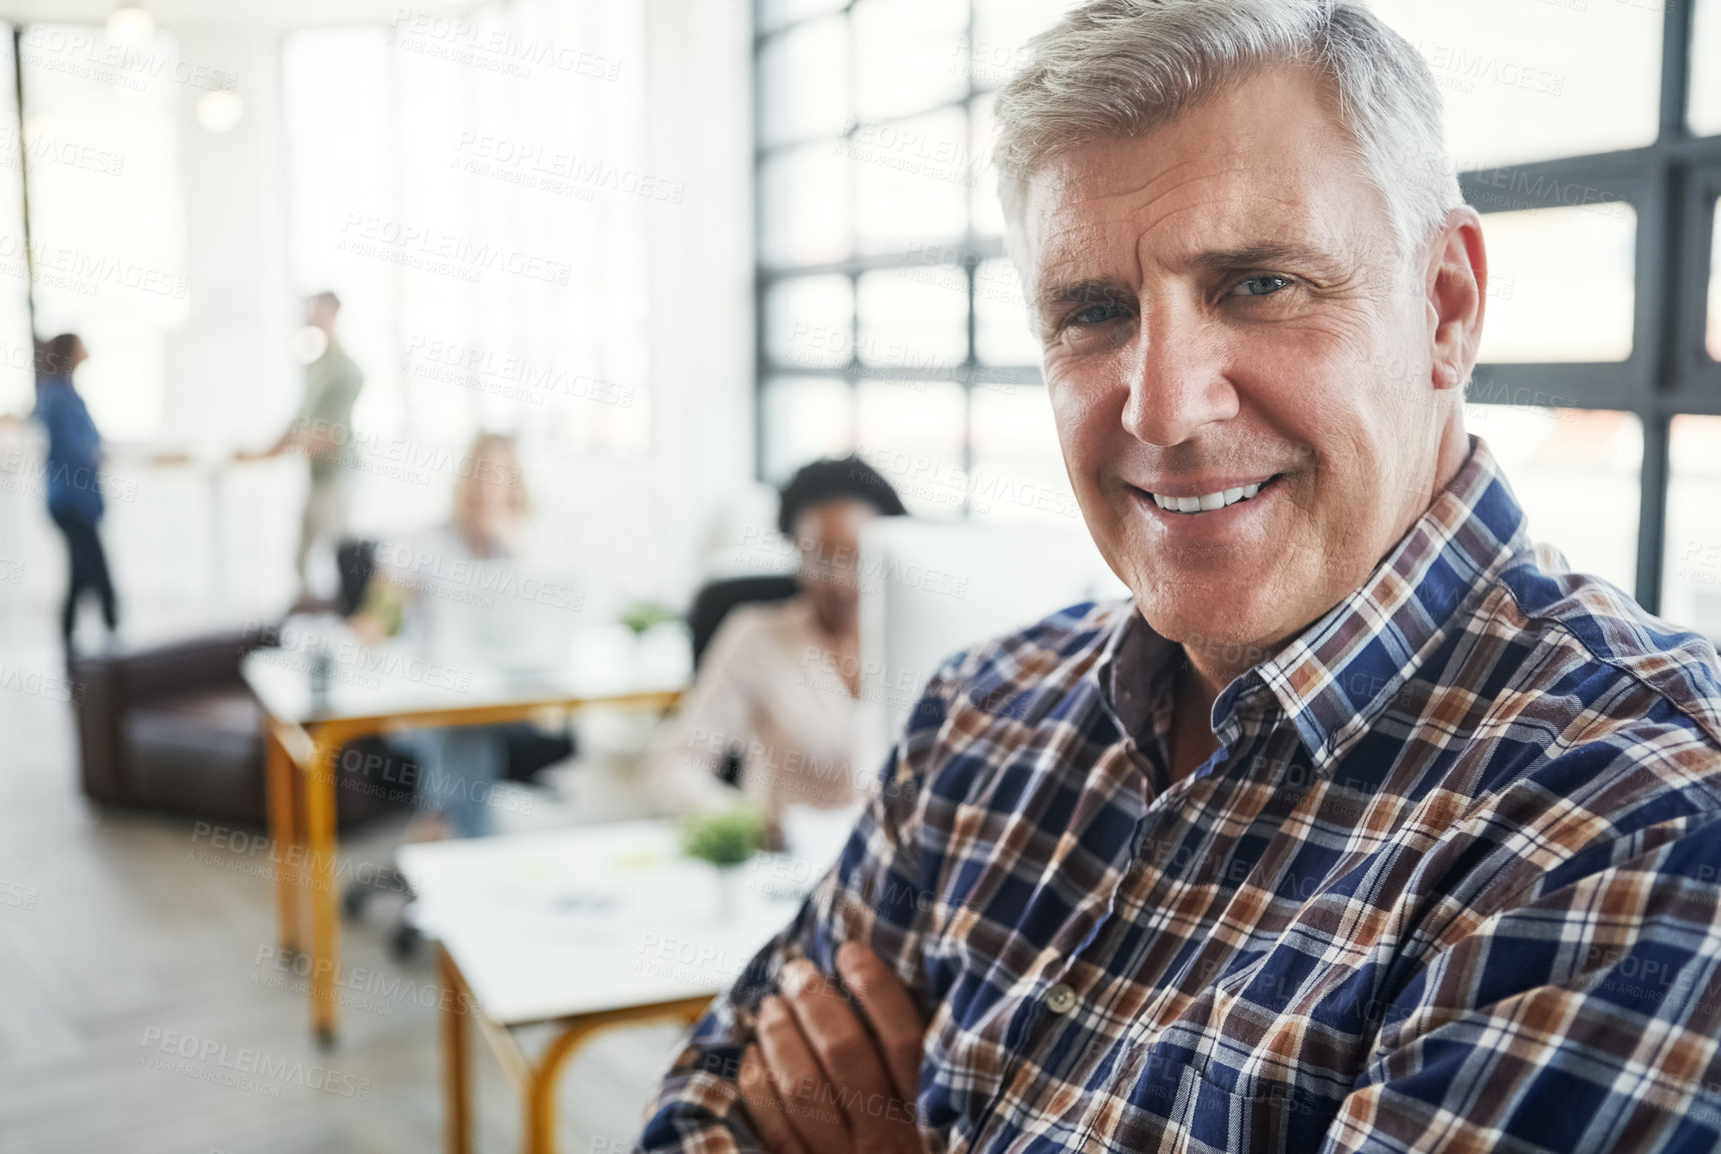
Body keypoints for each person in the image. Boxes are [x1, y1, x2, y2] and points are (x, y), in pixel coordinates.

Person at [638, 3, 1721, 1152]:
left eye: (1259, 284)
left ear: (1444, 305)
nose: (1161, 406)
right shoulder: (981, 713)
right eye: (1093, 310)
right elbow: (699, 1114)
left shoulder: (1644, 815)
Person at [644, 455, 907, 825]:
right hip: (784, 866)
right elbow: (676, 767)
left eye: (856, 560)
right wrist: (748, 822)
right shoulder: (758, 635)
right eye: (819, 560)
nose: (839, 581)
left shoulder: (915, 645)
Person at [350, 432, 572, 839]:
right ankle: (465, 840)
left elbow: (555, 627)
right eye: (480, 476)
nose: (487, 489)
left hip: (517, 701)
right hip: (437, 701)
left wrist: (513, 545)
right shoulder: (422, 543)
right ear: (462, 482)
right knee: (463, 725)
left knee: (471, 723)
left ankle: (439, 826)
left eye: (501, 477)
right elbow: (376, 621)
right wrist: (367, 627)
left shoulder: (536, 547)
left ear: (518, 486)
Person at [244, 292, 365, 593]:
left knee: (342, 553)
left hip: (336, 478)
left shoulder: (348, 371)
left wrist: (293, 445)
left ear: (333, 312)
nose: (309, 314)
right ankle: (306, 611)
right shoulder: (315, 366)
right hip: (315, 476)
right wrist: (261, 455)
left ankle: (352, 615)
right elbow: (301, 422)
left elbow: (328, 438)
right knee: (300, 555)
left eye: (316, 308)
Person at [32, 333, 118, 654]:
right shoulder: (57, 396)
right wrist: (93, 453)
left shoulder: (67, 394)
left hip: (78, 500)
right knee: (98, 571)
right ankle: (115, 639)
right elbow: (73, 448)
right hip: (71, 501)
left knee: (80, 573)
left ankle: (68, 646)